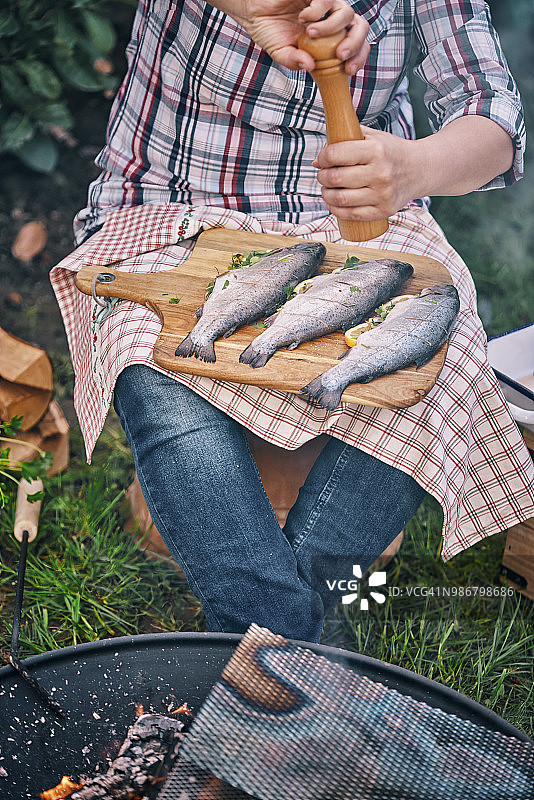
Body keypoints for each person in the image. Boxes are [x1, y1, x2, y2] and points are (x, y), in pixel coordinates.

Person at [50, 0, 534, 643]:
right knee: (159, 375)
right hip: (172, 203)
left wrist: (412, 169)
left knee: (447, 374)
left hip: (357, 220)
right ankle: (297, 643)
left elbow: (492, 115)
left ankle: (266, 643)